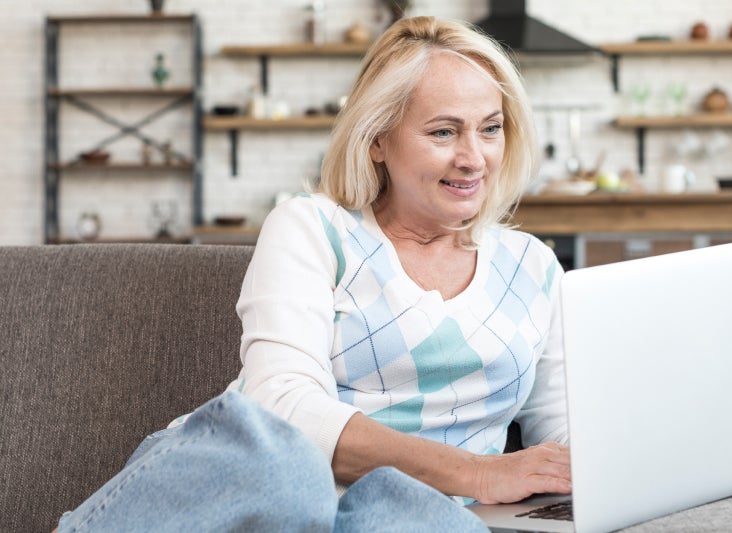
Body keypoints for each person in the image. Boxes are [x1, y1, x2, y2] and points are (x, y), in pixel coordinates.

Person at [55, 16, 570, 532]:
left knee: (427, 519)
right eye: (443, 131)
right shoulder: (314, 228)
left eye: (491, 128)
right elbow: (281, 405)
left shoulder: (533, 266)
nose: (473, 157)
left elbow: (568, 430)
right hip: (256, 486)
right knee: (289, 470)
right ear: (377, 139)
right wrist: (479, 474)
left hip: (404, 512)